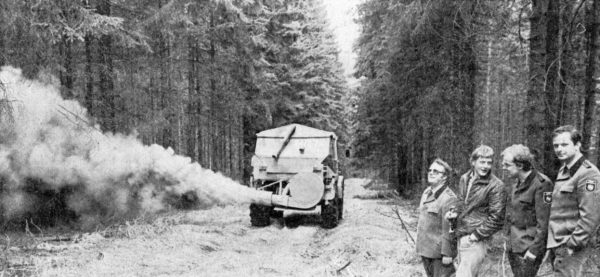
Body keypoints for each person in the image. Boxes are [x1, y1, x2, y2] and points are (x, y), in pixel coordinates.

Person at [547, 125, 600, 277]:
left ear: (577, 146)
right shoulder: (564, 170)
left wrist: (572, 245)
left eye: (564, 144)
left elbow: (591, 216)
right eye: (556, 145)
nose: (559, 149)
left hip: (571, 245)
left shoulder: (588, 173)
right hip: (558, 243)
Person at [453, 145, 506, 277]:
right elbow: (461, 202)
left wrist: (476, 236)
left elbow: (497, 218)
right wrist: (453, 212)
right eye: (482, 162)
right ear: (473, 162)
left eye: (489, 163)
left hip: (476, 240)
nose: (486, 166)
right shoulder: (465, 178)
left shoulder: (496, 185)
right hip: (461, 235)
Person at [501, 144, 553, 277]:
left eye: (507, 165)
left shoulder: (542, 184)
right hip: (514, 247)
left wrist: (534, 251)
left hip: (528, 249)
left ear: (519, 165)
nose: (503, 168)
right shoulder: (516, 183)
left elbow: (544, 223)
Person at [416, 158, 459, 277]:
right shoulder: (427, 193)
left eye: (436, 171)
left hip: (439, 254)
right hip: (426, 250)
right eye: (430, 170)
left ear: (444, 177)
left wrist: (448, 253)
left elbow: (451, 229)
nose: (431, 173)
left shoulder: (449, 198)